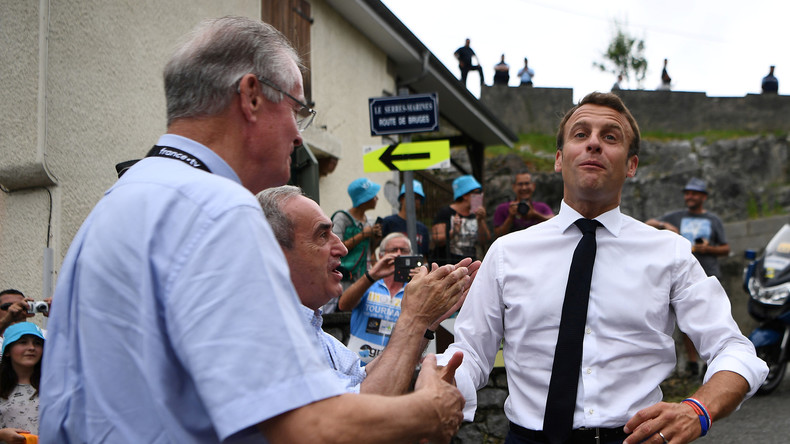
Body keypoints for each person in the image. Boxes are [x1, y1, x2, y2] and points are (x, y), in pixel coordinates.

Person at [39, 16, 465, 444]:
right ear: (252, 96)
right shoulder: (216, 208)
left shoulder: (118, 201)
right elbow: (307, 431)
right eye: (297, 109)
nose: (300, 136)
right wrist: (428, 410)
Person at [438, 92, 767, 444]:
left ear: (631, 165)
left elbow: (734, 349)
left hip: (635, 438)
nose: (594, 143)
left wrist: (698, 410)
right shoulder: (506, 253)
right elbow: (470, 351)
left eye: (610, 137)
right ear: (559, 158)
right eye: (580, 134)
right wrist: (435, 383)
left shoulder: (669, 252)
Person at [257, 186, 475, 395]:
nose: (342, 248)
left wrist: (425, 324)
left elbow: (365, 378)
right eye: (322, 235)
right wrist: (415, 318)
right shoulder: (269, 337)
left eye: (404, 250)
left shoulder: (315, 332)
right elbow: (365, 404)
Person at [646, 177, 731, 377]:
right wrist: (665, 226)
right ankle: (693, 364)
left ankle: (711, 365)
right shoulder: (675, 217)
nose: (689, 197)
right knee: (686, 324)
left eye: (693, 193)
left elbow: (726, 248)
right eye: (687, 193)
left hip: (708, 276)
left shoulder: (713, 220)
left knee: (713, 320)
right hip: (682, 278)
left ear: (703, 197)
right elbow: (649, 223)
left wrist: (707, 249)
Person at [332, 177, 383, 285]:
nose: (377, 198)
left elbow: (370, 251)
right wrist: (363, 234)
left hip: (365, 276)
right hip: (345, 278)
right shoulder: (341, 217)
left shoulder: (370, 221)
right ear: (365, 198)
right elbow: (336, 247)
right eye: (374, 195)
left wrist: (376, 239)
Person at [432, 175, 491, 265]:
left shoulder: (475, 214)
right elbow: (437, 240)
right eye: (477, 192)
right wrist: (454, 232)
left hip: (470, 265)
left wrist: (481, 221)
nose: (480, 195)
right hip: (448, 266)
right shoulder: (446, 213)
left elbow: (485, 240)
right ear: (465, 195)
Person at [0, 322, 45, 439]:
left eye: (37, 343)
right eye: (23, 342)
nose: (31, 348)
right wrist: (2, 435)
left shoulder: (55, 386)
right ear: (8, 351)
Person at [493, 170, 554, 237]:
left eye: (527, 184)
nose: (524, 188)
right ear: (514, 187)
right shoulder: (503, 208)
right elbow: (497, 235)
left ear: (533, 186)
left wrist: (535, 214)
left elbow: (554, 223)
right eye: (520, 184)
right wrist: (510, 217)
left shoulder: (542, 207)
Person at [380, 180, 431, 259]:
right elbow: (374, 249)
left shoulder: (422, 228)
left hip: (416, 270)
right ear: (401, 199)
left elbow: (424, 258)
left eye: (418, 198)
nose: (414, 200)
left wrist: (424, 269)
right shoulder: (389, 222)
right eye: (411, 196)